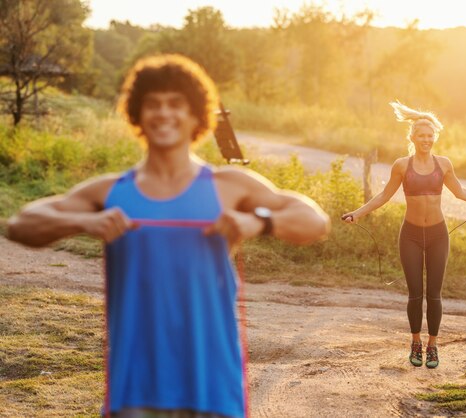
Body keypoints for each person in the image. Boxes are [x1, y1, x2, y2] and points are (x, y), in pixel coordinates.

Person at [7, 54, 330, 418]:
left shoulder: (228, 186)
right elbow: (21, 222)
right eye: (153, 104)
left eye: (176, 104)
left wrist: (260, 222)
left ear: (196, 116)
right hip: (134, 391)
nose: (164, 113)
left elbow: (314, 220)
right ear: (138, 115)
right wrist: (84, 222)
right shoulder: (110, 192)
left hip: (213, 390)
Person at [341, 101, 466, 369]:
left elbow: (460, 192)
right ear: (412, 137)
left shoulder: (444, 164)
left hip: (438, 235)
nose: (426, 140)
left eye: (429, 136)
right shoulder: (402, 165)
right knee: (415, 294)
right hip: (410, 235)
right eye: (421, 136)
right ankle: (415, 341)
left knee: (434, 294)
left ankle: (433, 346)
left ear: (434, 137)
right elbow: (384, 196)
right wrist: (358, 213)